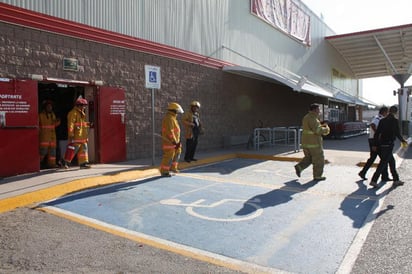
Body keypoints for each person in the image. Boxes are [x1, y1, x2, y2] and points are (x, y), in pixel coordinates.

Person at [369, 105, 408, 188]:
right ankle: (374, 180)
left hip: (382, 144)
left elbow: (377, 133)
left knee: (392, 162)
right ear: (396, 112)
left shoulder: (382, 120)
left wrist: (375, 144)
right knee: (383, 163)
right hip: (389, 144)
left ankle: (396, 180)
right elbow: (397, 133)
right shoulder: (394, 121)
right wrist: (403, 141)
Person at [294, 104, 330, 181]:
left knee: (309, 158)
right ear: (314, 110)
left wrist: (320, 125)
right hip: (314, 144)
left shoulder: (307, 117)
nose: (319, 111)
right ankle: (317, 176)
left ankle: (299, 167)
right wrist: (326, 129)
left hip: (306, 143)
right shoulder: (313, 118)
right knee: (319, 159)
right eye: (318, 109)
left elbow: (312, 128)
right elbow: (318, 131)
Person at [358, 106, 390, 180]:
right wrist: (378, 133)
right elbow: (372, 125)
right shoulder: (378, 118)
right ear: (384, 112)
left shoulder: (380, 118)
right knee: (383, 158)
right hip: (375, 140)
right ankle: (384, 176)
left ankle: (363, 172)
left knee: (374, 158)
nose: (387, 114)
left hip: (375, 140)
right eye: (387, 112)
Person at [62, 97, 92, 169]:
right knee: (72, 150)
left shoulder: (81, 113)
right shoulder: (73, 113)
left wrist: (88, 124)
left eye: (85, 105)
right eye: (83, 105)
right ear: (79, 105)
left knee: (83, 150)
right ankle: (64, 162)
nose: (84, 107)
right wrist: (71, 134)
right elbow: (71, 124)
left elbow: (81, 124)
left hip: (82, 136)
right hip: (76, 136)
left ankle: (83, 164)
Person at [159, 102, 184, 177]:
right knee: (168, 156)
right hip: (169, 142)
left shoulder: (173, 118)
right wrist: (174, 141)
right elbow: (170, 131)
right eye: (177, 111)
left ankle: (173, 167)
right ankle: (164, 171)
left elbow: (176, 131)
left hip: (175, 141)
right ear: (173, 110)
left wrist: (178, 141)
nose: (178, 112)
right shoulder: (169, 118)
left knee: (178, 153)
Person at [39, 100, 61, 168]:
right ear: (45, 107)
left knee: (52, 153)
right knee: (43, 152)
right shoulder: (40, 115)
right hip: (44, 137)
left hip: (52, 137)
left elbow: (53, 125)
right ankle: (38, 164)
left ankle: (52, 164)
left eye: (50, 106)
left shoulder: (53, 115)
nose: (50, 108)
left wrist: (58, 122)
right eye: (48, 106)